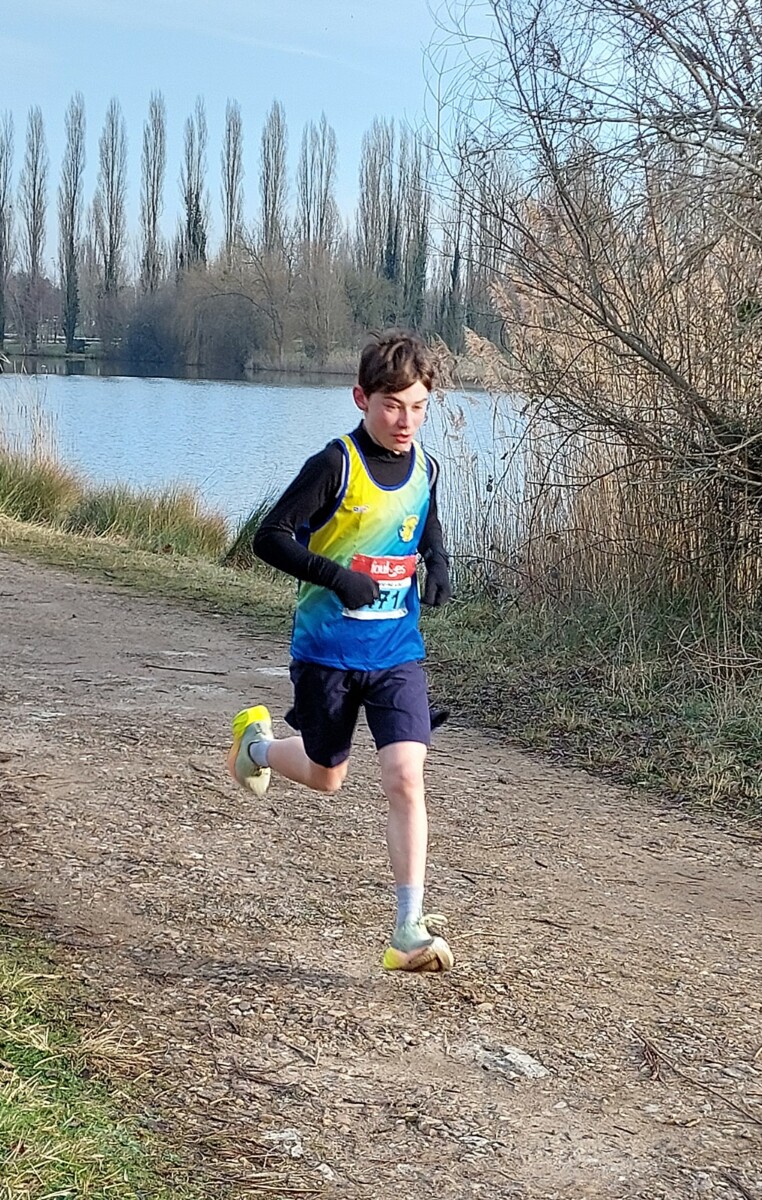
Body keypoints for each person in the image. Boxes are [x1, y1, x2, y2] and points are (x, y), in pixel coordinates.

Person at [227, 330, 454, 972]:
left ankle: (407, 928)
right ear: (361, 398)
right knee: (327, 775)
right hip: (327, 652)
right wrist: (338, 578)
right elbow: (270, 538)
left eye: (418, 407)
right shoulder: (335, 465)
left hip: (397, 652)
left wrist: (439, 561)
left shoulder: (427, 467)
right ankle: (257, 748)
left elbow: (425, 522)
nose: (405, 421)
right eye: (392, 406)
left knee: (405, 775)